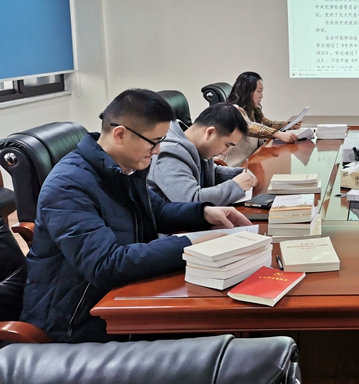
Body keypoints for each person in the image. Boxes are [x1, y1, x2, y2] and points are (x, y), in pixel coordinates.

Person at [21, 89, 252, 342]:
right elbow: (106, 265)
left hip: (122, 299)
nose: (158, 150)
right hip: (76, 325)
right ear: (120, 134)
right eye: (154, 142)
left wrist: (204, 213)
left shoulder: (121, 168)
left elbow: (157, 211)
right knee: (213, 332)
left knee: (219, 322)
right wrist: (190, 245)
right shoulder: (68, 186)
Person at [148, 103, 257, 205]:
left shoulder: (198, 148)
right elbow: (192, 200)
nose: (224, 152)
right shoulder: (169, 154)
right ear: (210, 132)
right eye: (227, 145)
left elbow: (210, 172)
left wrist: (239, 173)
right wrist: (235, 186)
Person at [224, 71, 302, 167]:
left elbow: (267, 123)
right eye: (259, 91)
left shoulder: (252, 109)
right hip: (235, 167)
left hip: (252, 161)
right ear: (247, 91)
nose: (262, 96)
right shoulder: (233, 110)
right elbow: (248, 126)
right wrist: (277, 134)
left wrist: (288, 124)